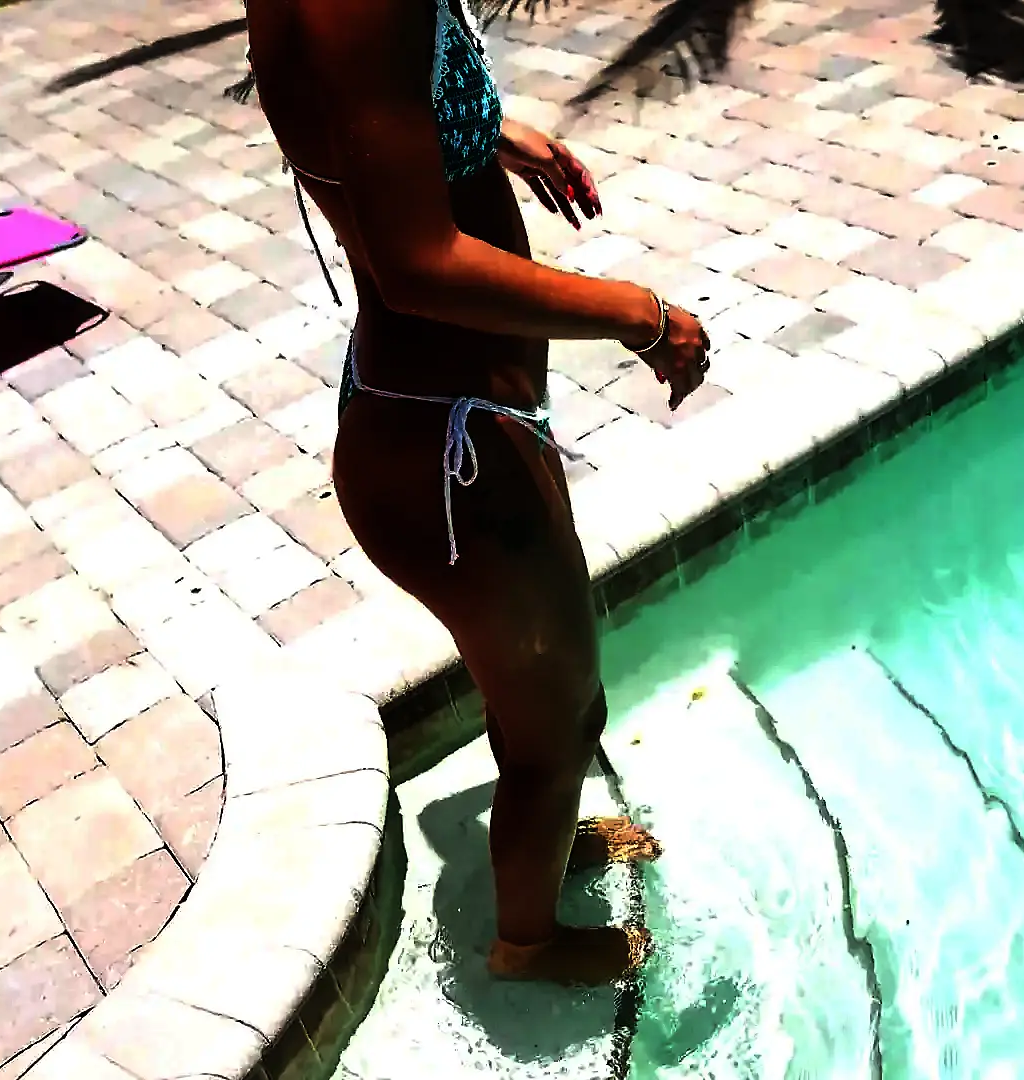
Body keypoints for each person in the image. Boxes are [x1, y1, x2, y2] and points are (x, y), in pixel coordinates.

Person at [242, 0, 712, 986]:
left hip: (451, 424)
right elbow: (418, 266)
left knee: (548, 702)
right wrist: (641, 315)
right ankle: (528, 944)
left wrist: (487, 130)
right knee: (564, 721)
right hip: (448, 451)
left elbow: (351, 109)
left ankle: (541, 839)